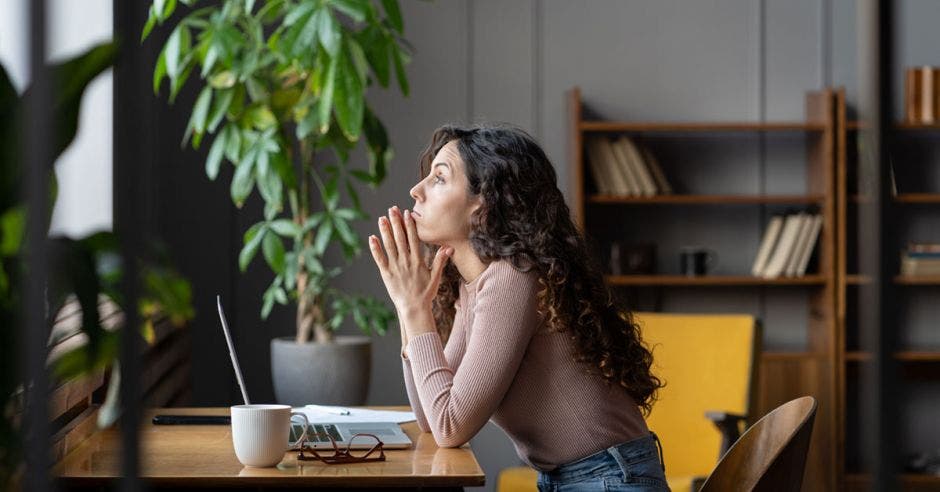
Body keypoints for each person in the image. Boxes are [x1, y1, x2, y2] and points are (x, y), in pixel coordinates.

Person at [368, 123, 668, 491]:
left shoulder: (513, 278)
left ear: (484, 202)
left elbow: (450, 425)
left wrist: (415, 310)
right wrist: (409, 306)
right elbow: (432, 418)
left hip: (611, 479)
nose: (416, 190)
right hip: (582, 478)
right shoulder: (477, 286)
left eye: (440, 179)